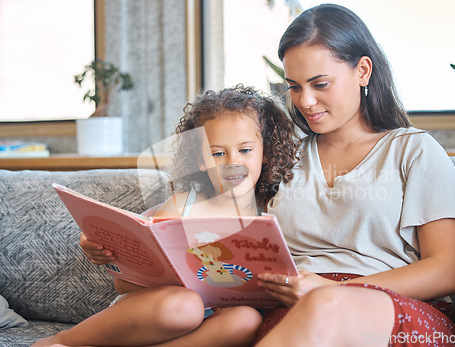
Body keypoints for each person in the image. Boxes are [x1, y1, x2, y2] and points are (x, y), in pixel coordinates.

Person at [253, 4, 455, 346]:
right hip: (292, 311)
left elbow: (447, 271)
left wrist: (336, 290)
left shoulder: (414, 151)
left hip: (396, 308)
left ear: (363, 71)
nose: (305, 101)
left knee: (325, 304)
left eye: (320, 84)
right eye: (294, 86)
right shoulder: (285, 156)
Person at [32, 84, 298, 347]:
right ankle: (58, 342)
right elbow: (123, 285)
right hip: (157, 314)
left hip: (211, 326)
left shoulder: (271, 212)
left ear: (265, 152)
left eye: (245, 150)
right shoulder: (183, 206)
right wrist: (110, 253)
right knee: (187, 305)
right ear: (201, 159)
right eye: (218, 153)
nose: (233, 162)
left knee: (246, 320)